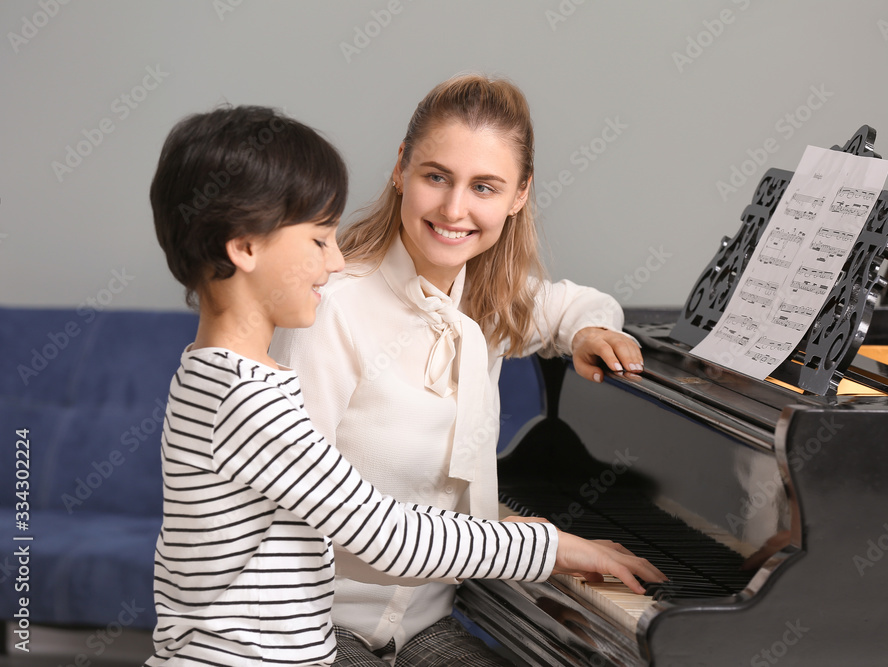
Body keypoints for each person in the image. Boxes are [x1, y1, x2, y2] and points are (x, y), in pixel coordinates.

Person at [144, 105, 663, 666]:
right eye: (320, 240)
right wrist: (550, 546)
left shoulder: (217, 375)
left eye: (484, 186)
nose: (337, 259)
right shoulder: (249, 400)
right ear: (244, 248)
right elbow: (383, 531)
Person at [269, 74, 645, 665]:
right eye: (436, 177)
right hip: (316, 623)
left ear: (520, 194)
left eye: (485, 187)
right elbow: (309, 516)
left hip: (425, 624)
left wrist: (590, 329)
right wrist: (548, 547)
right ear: (401, 168)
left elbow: (570, 305)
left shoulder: (486, 298)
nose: (454, 209)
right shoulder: (331, 307)